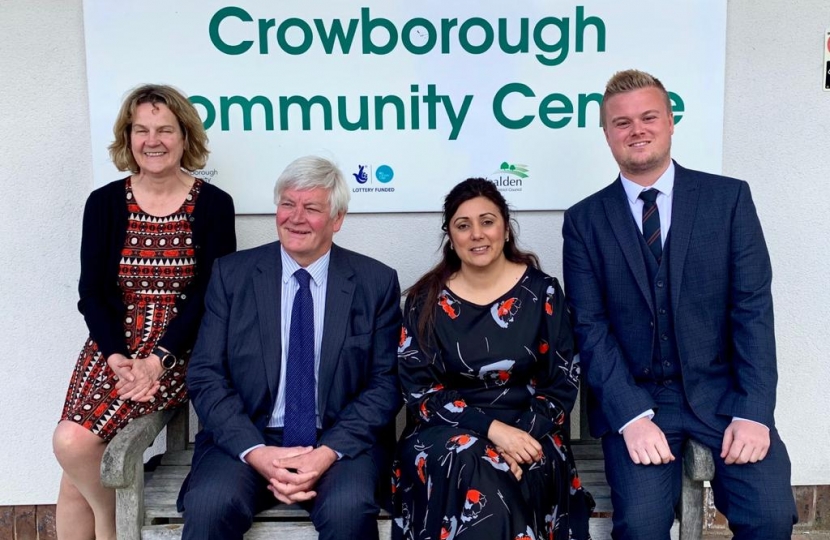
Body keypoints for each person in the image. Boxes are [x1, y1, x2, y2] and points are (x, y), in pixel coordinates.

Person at [562, 69, 798, 539]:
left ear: (671, 121)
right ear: (606, 133)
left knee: (770, 516)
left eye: (648, 116)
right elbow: (590, 327)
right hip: (639, 400)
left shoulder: (728, 200)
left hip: (724, 394)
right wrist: (630, 416)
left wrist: (753, 411)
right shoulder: (584, 220)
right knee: (643, 526)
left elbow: (752, 310)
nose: (637, 130)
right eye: (622, 122)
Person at [177, 156, 402, 540]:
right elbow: (205, 374)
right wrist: (256, 452)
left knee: (349, 512)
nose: (295, 217)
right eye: (287, 204)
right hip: (248, 437)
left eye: (312, 208)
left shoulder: (375, 282)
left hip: (336, 441)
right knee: (211, 505)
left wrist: (326, 452)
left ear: (337, 219)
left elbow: (384, 385)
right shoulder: (232, 275)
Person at [52, 84, 236, 540]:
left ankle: (113, 526)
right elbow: (91, 292)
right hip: (111, 347)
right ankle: (113, 520)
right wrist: (116, 356)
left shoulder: (213, 204)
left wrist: (159, 358)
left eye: (164, 130)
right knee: (75, 467)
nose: (152, 140)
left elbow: (212, 294)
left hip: (177, 349)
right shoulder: (105, 202)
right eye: (141, 130)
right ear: (128, 137)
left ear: (184, 137)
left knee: (73, 444)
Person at [393, 178, 592, 540]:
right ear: (450, 237)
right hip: (447, 434)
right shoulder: (425, 301)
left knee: (507, 470)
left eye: (487, 221)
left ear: (505, 227)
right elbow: (421, 393)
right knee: (474, 461)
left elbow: (562, 383)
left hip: (532, 432)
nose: (476, 234)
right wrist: (494, 435)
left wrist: (519, 440)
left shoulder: (543, 293)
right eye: (462, 225)